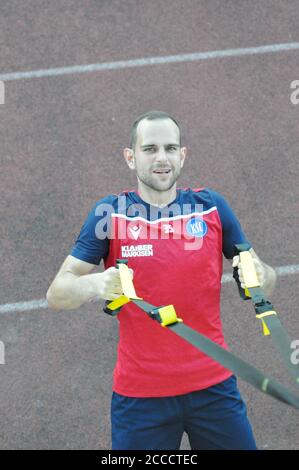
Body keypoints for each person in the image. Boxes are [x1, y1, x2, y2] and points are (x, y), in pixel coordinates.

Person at [47, 110, 277, 450]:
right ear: (130, 157)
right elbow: (57, 293)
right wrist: (96, 285)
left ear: (182, 155)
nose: (161, 158)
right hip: (141, 398)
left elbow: (265, 280)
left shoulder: (211, 208)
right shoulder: (109, 214)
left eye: (170, 148)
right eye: (150, 149)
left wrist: (261, 275)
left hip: (214, 387)